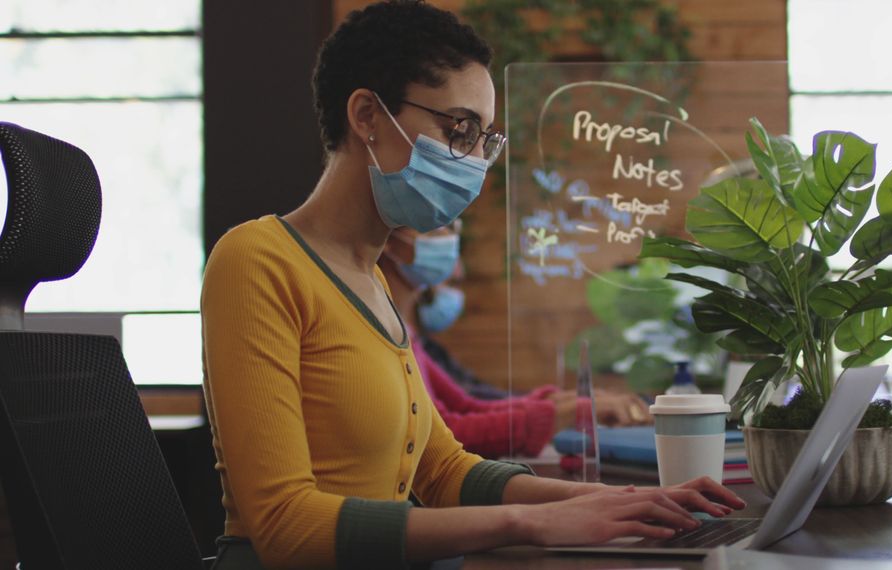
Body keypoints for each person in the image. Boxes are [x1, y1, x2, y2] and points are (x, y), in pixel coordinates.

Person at [200, 2, 744, 568]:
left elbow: (443, 470)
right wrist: (534, 522)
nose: (475, 160)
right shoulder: (258, 260)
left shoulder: (373, 282)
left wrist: (617, 501)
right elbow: (285, 526)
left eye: (485, 139)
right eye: (459, 129)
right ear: (366, 115)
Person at [376, 226, 651, 458]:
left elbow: (467, 405)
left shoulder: (404, 330)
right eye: (437, 229)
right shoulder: (384, 328)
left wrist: (566, 403)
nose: (457, 271)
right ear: (389, 241)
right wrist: (570, 410)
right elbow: (447, 433)